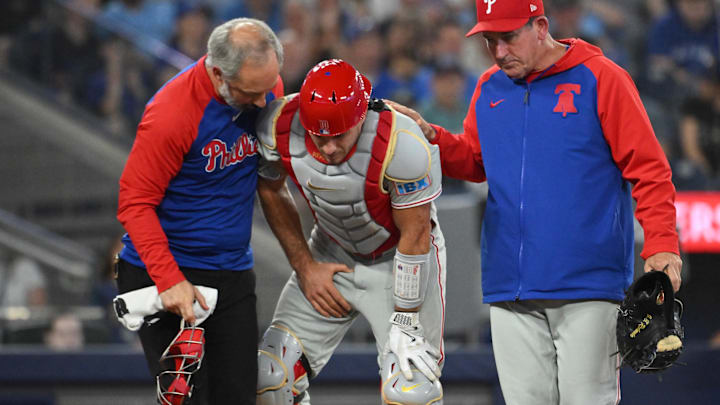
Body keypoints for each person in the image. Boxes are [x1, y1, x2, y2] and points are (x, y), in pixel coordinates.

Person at [388, 1, 682, 404]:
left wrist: (662, 244)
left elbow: (649, 170)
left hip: (587, 285)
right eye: (491, 40)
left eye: (509, 37)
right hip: (510, 286)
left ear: (541, 26)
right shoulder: (490, 87)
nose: (499, 51)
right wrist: (433, 138)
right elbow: (475, 160)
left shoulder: (602, 78)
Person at [254, 59, 446, 405]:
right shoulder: (277, 126)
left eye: (339, 135)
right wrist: (305, 266)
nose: (328, 148)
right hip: (331, 252)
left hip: (398, 259)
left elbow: (416, 234)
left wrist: (405, 316)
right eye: (319, 136)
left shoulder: (401, 142)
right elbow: (269, 188)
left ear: (361, 117)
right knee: (269, 379)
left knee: (411, 392)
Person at [115, 17, 283, 404]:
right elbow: (134, 202)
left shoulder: (265, 85)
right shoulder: (172, 114)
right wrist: (168, 278)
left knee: (240, 397)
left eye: (268, 88)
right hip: (168, 275)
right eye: (250, 93)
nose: (263, 102)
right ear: (220, 74)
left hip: (231, 272)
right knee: (186, 400)